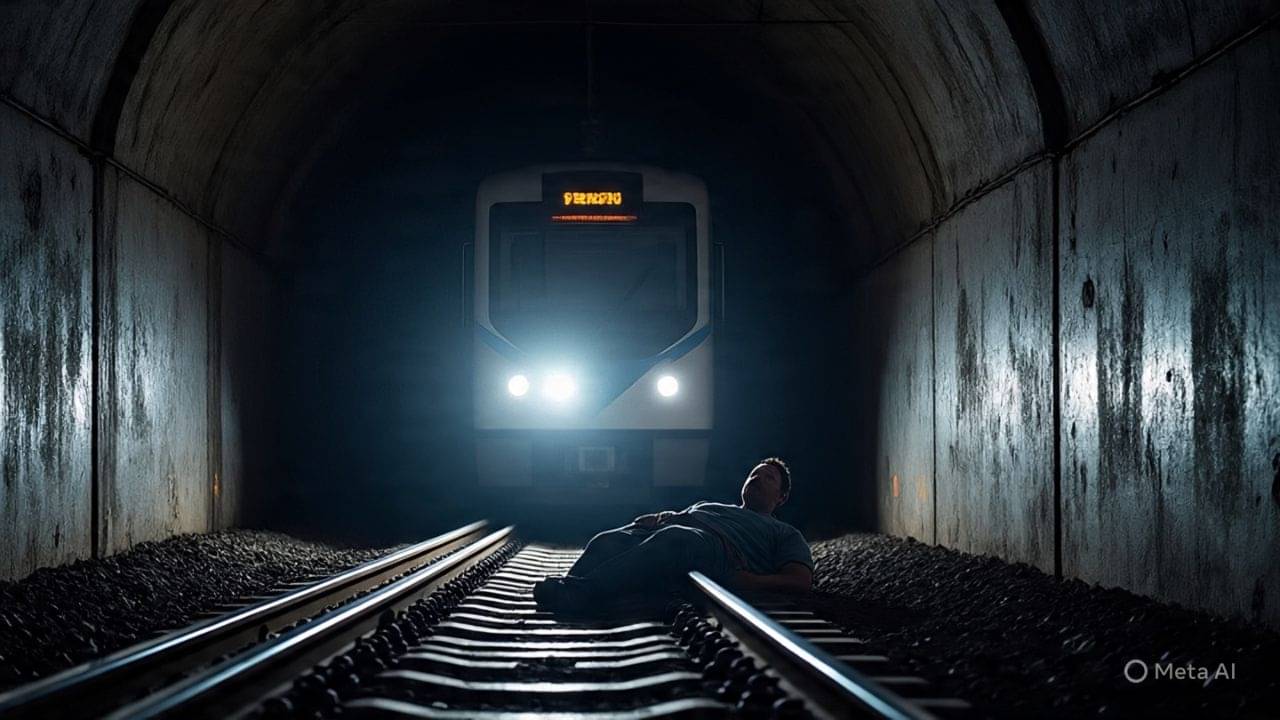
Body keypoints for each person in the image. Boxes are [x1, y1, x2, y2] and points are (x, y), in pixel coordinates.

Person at [533, 458, 813, 614]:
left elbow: (800, 580)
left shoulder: (784, 532)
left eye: (768, 478)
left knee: (677, 539)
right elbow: (678, 518)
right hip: (674, 532)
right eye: (754, 474)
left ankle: (582, 594)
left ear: (781, 497)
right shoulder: (711, 505)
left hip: (718, 551)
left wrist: (753, 581)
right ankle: (567, 586)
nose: (757, 480)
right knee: (607, 539)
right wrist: (659, 518)